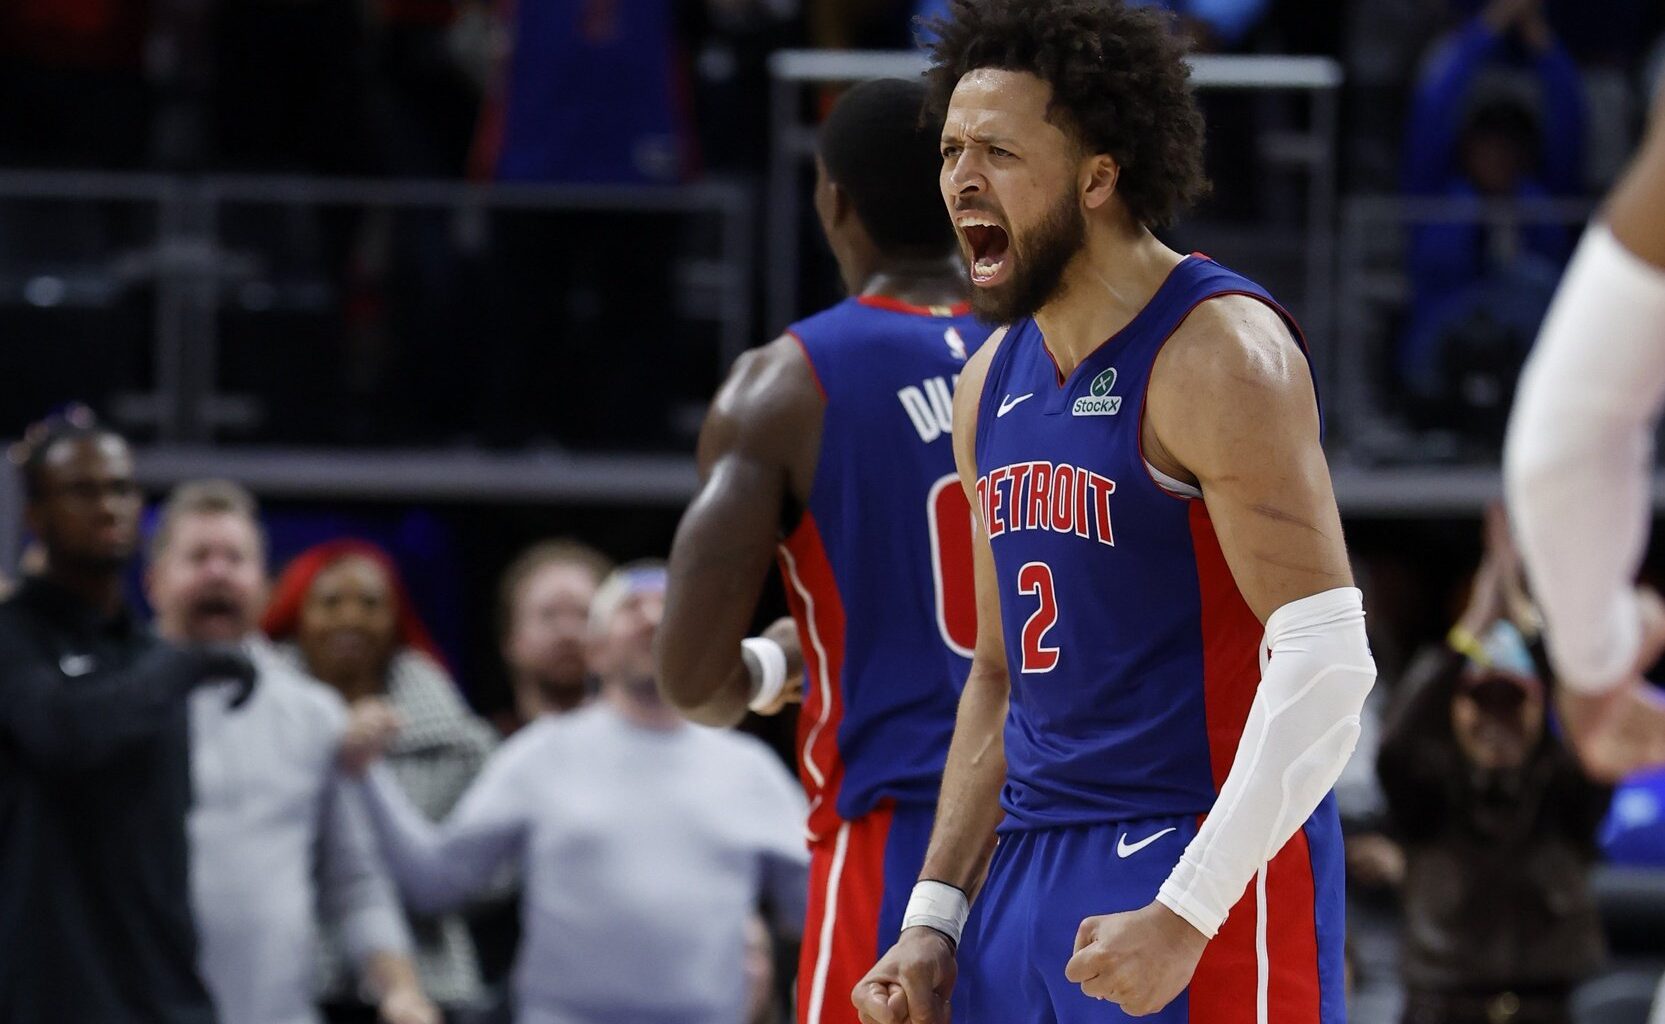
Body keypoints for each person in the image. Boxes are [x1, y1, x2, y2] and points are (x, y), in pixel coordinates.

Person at [853, 2, 1378, 1021]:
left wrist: (1188, 910)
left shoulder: (1220, 354)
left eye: (999, 151)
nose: (961, 178)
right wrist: (934, 916)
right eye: (953, 148)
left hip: (1200, 856)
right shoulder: (988, 380)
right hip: (1029, 867)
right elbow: (999, 676)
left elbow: (1328, 665)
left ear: (1099, 176)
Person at [656, 76, 993, 1024]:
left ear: (830, 198)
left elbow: (690, 679)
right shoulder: (1049, 350)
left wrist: (770, 666)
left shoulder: (783, 385)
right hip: (1055, 826)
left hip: (898, 833)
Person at [342, 562, 810, 1024]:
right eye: (630, 608)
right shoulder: (541, 753)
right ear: (596, 650)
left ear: (697, 643)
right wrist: (365, 775)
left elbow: (814, 909)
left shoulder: (751, 771)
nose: (649, 618)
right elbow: (436, 880)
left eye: (667, 608)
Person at [145, 480, 439, 1024]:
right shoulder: (107, 707)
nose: (217, 572)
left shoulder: (313, 714)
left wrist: (400, 990)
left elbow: (355, 882)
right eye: (198, 557)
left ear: (263, 586)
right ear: (155, 581)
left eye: (235, 558)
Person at [0, 410, 256, 1023]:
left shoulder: (149, 658)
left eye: (120, 489)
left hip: (161, 997)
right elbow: (64, 734)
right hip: (44, 1000)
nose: (109, 506)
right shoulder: (13, 639)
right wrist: (187, 667)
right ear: (35, 514)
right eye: (82, 491)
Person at [1377, 505, 1610, 1024]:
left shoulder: (1566, 792)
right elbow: (1396, 741)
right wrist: (1471, 627)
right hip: (1440, 1007)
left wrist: (1530, 628)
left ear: (1541, 706)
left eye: (1513, 702)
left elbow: (1588, 715)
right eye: (1481, 701)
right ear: (1452, 709)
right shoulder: (1426, 795)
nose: (1495, 720)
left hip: (1549, 1008)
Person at [263, 539, 498, 1017]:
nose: (350, 617)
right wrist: (327, 746)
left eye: (371, 603)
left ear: (397, 620)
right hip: (291, 980)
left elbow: (470, 879)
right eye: (329, 602)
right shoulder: (254, 724)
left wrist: (367, 772)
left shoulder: (457, 740)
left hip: (429, 983)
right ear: (295, 618)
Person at [497, 539, 611, 729]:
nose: (567, 632)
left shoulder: (647, 743)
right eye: (549, 615)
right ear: (510, 637)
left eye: (583, 614)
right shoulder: (484, 750)